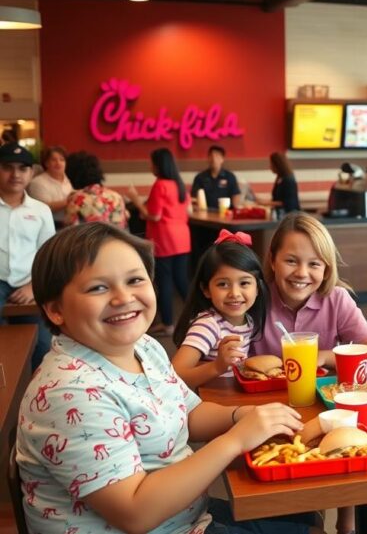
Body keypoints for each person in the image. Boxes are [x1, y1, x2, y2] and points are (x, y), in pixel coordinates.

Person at [16, 222, 318, 534]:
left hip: (185, 516)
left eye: (134, 280)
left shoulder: (143, 347)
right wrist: (236, 439)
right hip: (157, 525)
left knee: (305, 516)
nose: (123, 298)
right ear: (55, 310)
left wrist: (244, 415)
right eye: (99, 287)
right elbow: (134, 514)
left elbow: (187, 412)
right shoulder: (70, 392)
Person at [256, 213, 367, 368]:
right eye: (291, 261)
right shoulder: (254, 299)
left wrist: (323, 357)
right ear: (272, 260)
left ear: (326, 269)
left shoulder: (336, 300)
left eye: (314, 264)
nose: (302, 273)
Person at [171, 230, 269, 390]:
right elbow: (174, 376)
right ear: (206, 289)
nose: (235, 293)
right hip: (210, 404)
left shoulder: (248, 320)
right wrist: (217, 366)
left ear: (257, 287)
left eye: (244, 283)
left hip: (233, 397)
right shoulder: (208, 325)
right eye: (223, 284)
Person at [0, 142, 55, 368]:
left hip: (28, 283)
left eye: (23, 168)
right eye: (7, 167)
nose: (15, 174)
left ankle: (33, 397)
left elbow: (48, 255)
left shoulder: (41, 211)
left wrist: (33, 286)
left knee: (42, 347)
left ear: (31, 172)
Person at [127, 148, 191, 336]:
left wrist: (135, 199)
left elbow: (154, 216)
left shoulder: (160, 185)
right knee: (182, 280)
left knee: (164, 282)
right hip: (182, 237)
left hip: (165, 238)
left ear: (159, 164)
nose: (150, 166)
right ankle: (200, 317)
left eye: (152, 162)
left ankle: (168, 324)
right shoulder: (179, 184)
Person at [64, 151, 128, 228]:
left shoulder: (76, 199)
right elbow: (122, 225)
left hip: (89, 239)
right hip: (116, 238)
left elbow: (73, 228)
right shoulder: (116, 196)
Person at [27, 146, 73, 225]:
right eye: (53, 160)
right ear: (46, 163)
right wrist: (71, 200)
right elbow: (44, 208)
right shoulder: (38, 182)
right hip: (51, 225)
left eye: (62, 160)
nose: (58, 163)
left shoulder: (66, 179)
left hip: (69, 224)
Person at [192, 145, 242, 210]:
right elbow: (194, 197)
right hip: (205, 214)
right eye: (211, 156)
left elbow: (236, 196)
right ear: (208, 158)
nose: (214, 159)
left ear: (222, 159)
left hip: (225, 213)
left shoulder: (230, 177)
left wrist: (235, 210)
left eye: (217, 156)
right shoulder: (200, 177)